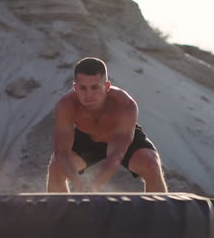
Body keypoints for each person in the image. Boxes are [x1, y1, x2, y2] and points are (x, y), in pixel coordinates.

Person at [46, 57, 168, 193]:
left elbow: (116, 154)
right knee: (56, 167)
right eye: (83, 88)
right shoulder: (66, 105)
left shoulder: (125, 105)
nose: (89, 94)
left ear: (107, 86)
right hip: (87, 137)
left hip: (120, 137)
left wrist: (95, 184)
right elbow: (61, 152)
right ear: (75, 87)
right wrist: (77, 182)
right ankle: (61, 214)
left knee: (151, 165)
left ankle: (159, 214)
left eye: (95, 87)